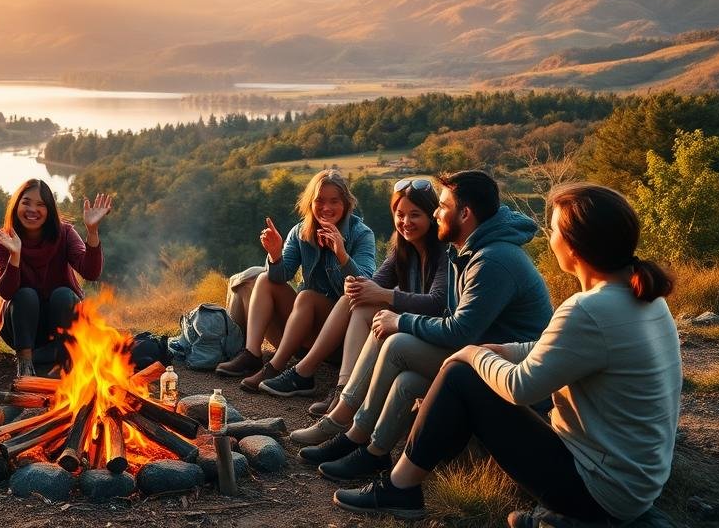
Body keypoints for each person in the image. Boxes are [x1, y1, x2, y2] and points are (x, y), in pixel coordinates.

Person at [332, 183, 682, 526]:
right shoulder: (643, 297)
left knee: (461, 375)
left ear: (575, 245)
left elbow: (520, 388)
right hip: (634, 484)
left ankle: (399, 486)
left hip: (599, 488)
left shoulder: (588, 308)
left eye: (554, 229)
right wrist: (505, 350)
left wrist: (472, 354)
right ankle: (400, 471)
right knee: (460, 371)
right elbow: (559, 348)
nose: (550, 237)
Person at [302, 170, 553, 483]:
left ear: (465, 213)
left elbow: (459, 330)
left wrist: (400, 320)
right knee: (406, 379)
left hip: (511, 373)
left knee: (395, 341)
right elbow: (453, 320)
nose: (437, 213)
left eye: (442, 206)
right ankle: (374, 453)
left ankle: (351, 433)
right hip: (480, 357)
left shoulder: (494, 260)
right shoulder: (469, 250)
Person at [284, 177, 449, 440]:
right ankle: (342, 391)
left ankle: (340, 408)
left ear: (432, 216)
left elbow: (438, 303)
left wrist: (382, 294)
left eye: (415, 215)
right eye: (400, 214)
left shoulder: (444, 251)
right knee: (357, 301)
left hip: (435, 334)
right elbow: (371, 284)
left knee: (369, 306)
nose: (406, 222)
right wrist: (354, 281)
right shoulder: (403, 249)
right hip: (413, 328)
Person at [217, 170, 377, 392]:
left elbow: (366, 285)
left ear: (346, 204)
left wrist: (341, 254)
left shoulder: (362, 235)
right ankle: (252, 354)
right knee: (264, 279)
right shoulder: (301, 232)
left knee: (308, 296)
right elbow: (280, 276)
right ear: (310, 202)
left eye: (334, 201)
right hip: (302, 329)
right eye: (319, 201)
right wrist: (275, 255)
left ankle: (277, 367)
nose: (326, 208)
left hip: (339, 339)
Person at [0, 180, 112, 377]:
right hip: (21, 327)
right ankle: (25, 364)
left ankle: (67, 362)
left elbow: (90, 272)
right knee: (25, 295)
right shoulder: (5, 239)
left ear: (49, 209)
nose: (32, 210)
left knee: (63, 295)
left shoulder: (65, 233)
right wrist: (15, 256)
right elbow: (6, 292)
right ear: (16, 206)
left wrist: (92, 231)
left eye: (40, 205)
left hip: (63, 322)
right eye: (26, 202)